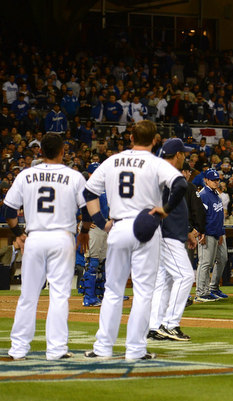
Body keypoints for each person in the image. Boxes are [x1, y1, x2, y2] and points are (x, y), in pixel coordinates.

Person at [83, 120, 187, 361]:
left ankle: (102, 348)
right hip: (146, 227)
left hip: (117, 226)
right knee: (143, 292)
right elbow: (180, 183)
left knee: (112, 290)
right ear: (155, 140)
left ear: (131, 138)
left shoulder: (112, 161)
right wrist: (166, 209)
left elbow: (89, 193)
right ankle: (135, 350)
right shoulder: (155, 162)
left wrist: (102, 223)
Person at [6, 133, 91, 360]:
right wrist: (83, 232)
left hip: (35, 237)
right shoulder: (74, 176)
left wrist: (18, 234)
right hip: (62, 237)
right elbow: (87, 211)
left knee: (28, 295)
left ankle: (18, 349)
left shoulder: (26, 175)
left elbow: (9, 211)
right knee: (59, 295)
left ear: (40, 151)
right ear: (63, 150)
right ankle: (56, 350)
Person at [147, 139, 197, 342]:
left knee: (164, 281)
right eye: (183, 153)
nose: (184, 156)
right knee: (185, 276)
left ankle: (154, 326)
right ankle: (170, 324)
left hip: (168, 232)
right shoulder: (166, 171)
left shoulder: (156, 171)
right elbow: (180, 187)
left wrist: (186, 232)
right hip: (168, 234)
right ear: (177, 155)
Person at [195, 169, 227, 302]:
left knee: (222, 259)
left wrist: (220, 232)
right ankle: (201, 292)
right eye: (213, 180)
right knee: (205, 263)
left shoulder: (215, 194)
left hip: (217, 232)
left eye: (217, 180)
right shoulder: (203, 194)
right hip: (207, 233)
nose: (216, 182)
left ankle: (211, 289)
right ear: (206, 180)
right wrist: (200, 232)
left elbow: (218, 215)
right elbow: (199, 215)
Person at [79, 162, 109, 307]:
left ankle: (101, 294)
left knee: (102, 263)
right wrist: (82, 222)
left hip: (106, 227)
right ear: (90, 174)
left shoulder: (106, 188)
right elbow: (78, 207)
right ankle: (88, 297)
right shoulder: (87, 188)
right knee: (93, 262)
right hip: (95, 227)